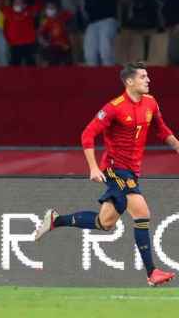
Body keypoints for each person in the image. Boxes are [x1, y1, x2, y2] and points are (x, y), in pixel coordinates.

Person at [35, 61, 179, 287]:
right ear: (129, 81)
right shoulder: (114, 107)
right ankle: (152, 273)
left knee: (106, 222)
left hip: (132, 171)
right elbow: (87, 134)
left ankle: (56, 220)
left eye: (147, 76)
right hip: (114, 168)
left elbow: (162, 131)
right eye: (143, 77)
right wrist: (93, 167)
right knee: (142, 213)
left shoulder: (151, 103)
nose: (148, 80)